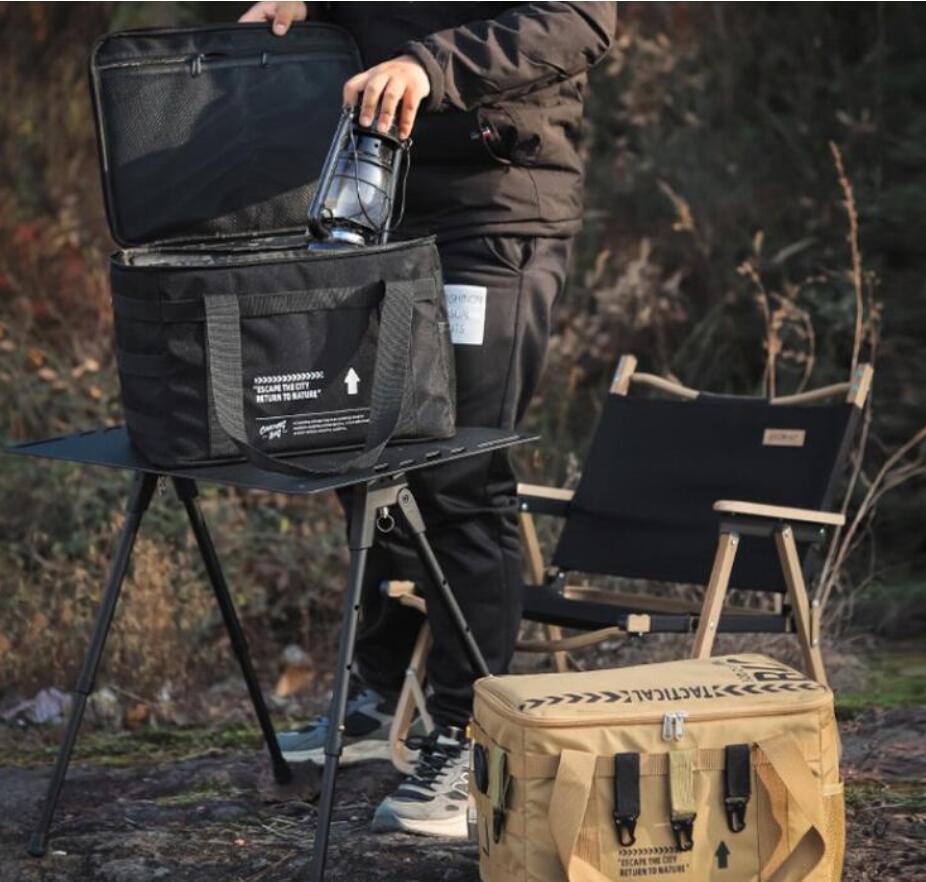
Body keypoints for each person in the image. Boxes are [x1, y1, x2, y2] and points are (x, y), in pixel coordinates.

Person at [239, 0, 617, 838]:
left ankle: (472, 735)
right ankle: (381, 702)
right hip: (369, 199)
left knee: (457, 476)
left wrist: (429, 66)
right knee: (362, 457)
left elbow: (578, 20)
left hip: (494, 208)